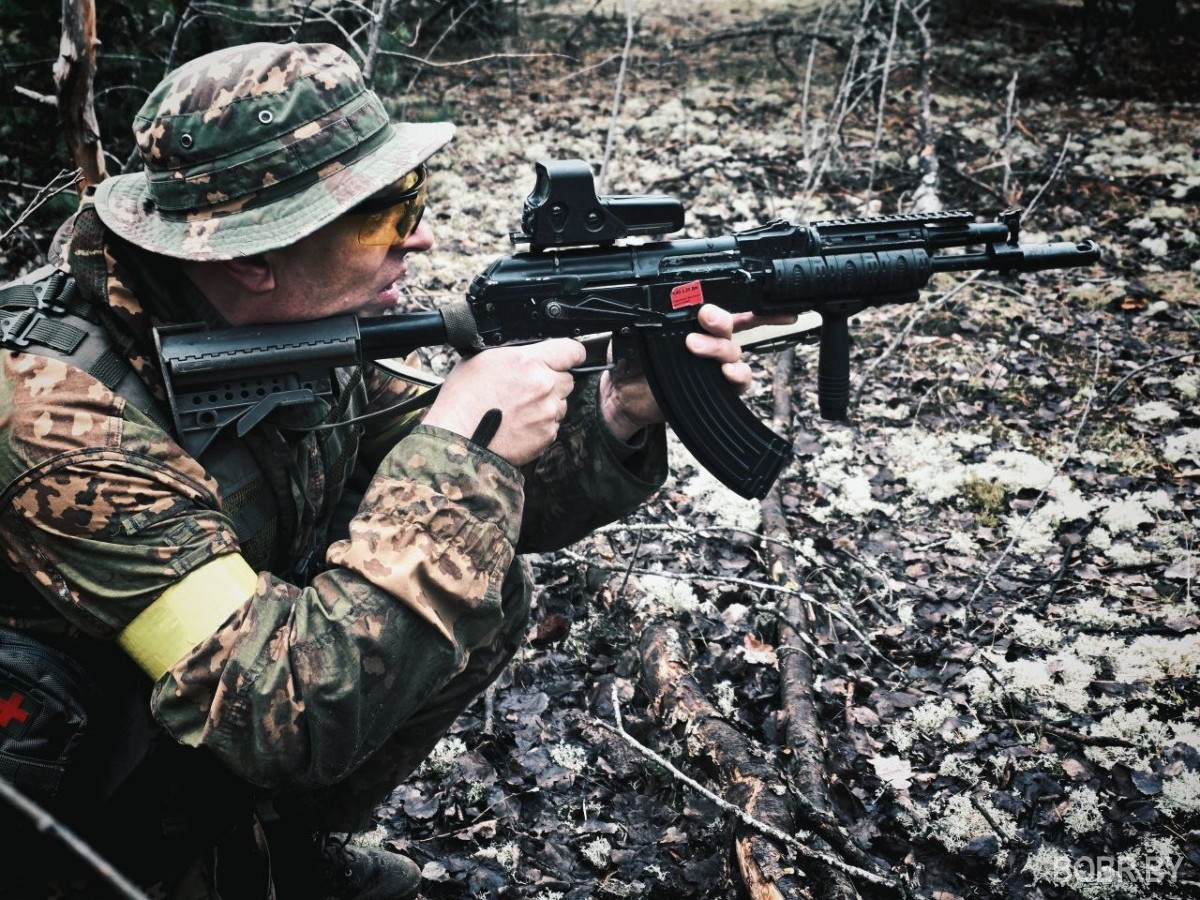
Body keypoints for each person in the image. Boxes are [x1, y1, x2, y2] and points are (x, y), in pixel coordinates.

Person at [0, 42, 777, 899]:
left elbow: (504, 509)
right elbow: (274, 717)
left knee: (483, 578)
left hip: (184, 739)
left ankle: (283, 850)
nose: (422, 235)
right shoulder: (52, 416)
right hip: (66, 814)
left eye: (415, 198)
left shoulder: (290, 321)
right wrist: (461, 455)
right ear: (253, 257)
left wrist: (618, 411)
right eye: (383, 214)